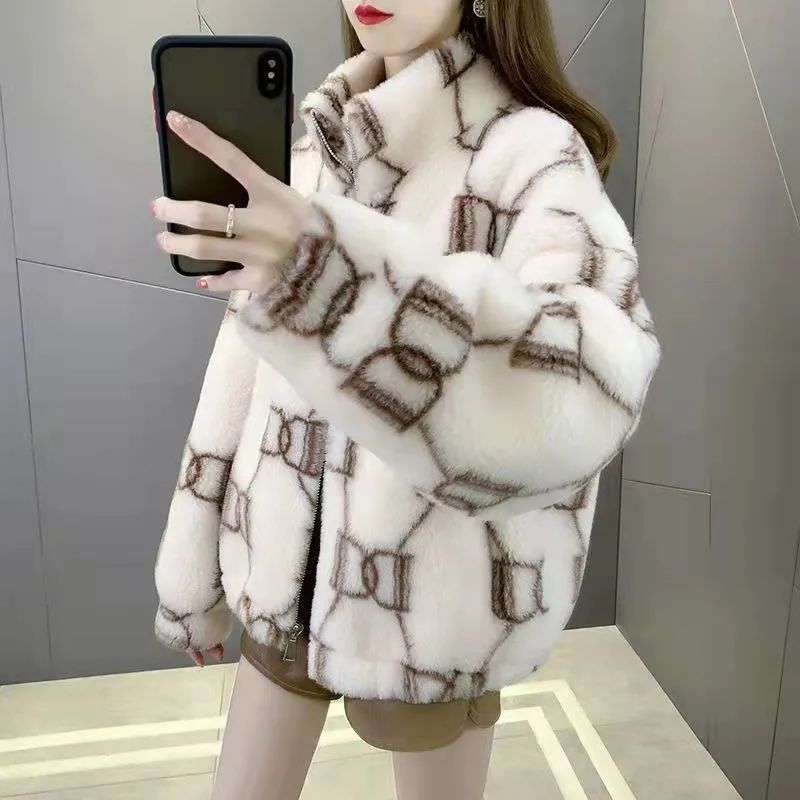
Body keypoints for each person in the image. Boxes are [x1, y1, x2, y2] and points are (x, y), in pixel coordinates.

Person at [151, 1, 660, 797]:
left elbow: (584, 391)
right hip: (283, 578)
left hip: (435, 612)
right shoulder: (315, 147)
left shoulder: (531, 153)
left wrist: (332, 283)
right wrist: (190, 576)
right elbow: (239, 373)